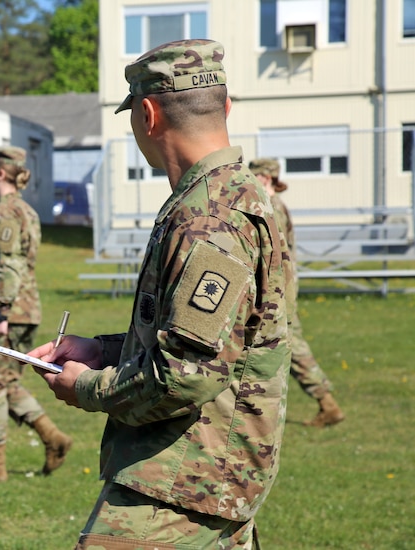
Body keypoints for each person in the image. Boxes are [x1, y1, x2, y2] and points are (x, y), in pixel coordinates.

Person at [29, 40, 292, 548]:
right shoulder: (235, 193)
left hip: (184, 478)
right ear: (226, 108)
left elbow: (187, 376)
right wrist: (103, 350)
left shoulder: (210, 217)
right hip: (209, 471)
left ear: (147, 114)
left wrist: (87, 388)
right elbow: (212, 340)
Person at [0, 145, 73, 481]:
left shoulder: (4, 214)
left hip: (6, 312)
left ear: (1, 172)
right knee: (6, 380)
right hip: (24, 310)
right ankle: (53, 438)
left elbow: (10, 264)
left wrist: (1, 312)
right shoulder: (27, 211)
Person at [249, 158, 345, 427]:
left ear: (265, 179)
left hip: (276, 287)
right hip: (279, 285)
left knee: (289, 341)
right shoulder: (276, 205)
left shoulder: (271, 207)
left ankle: (325, 401)